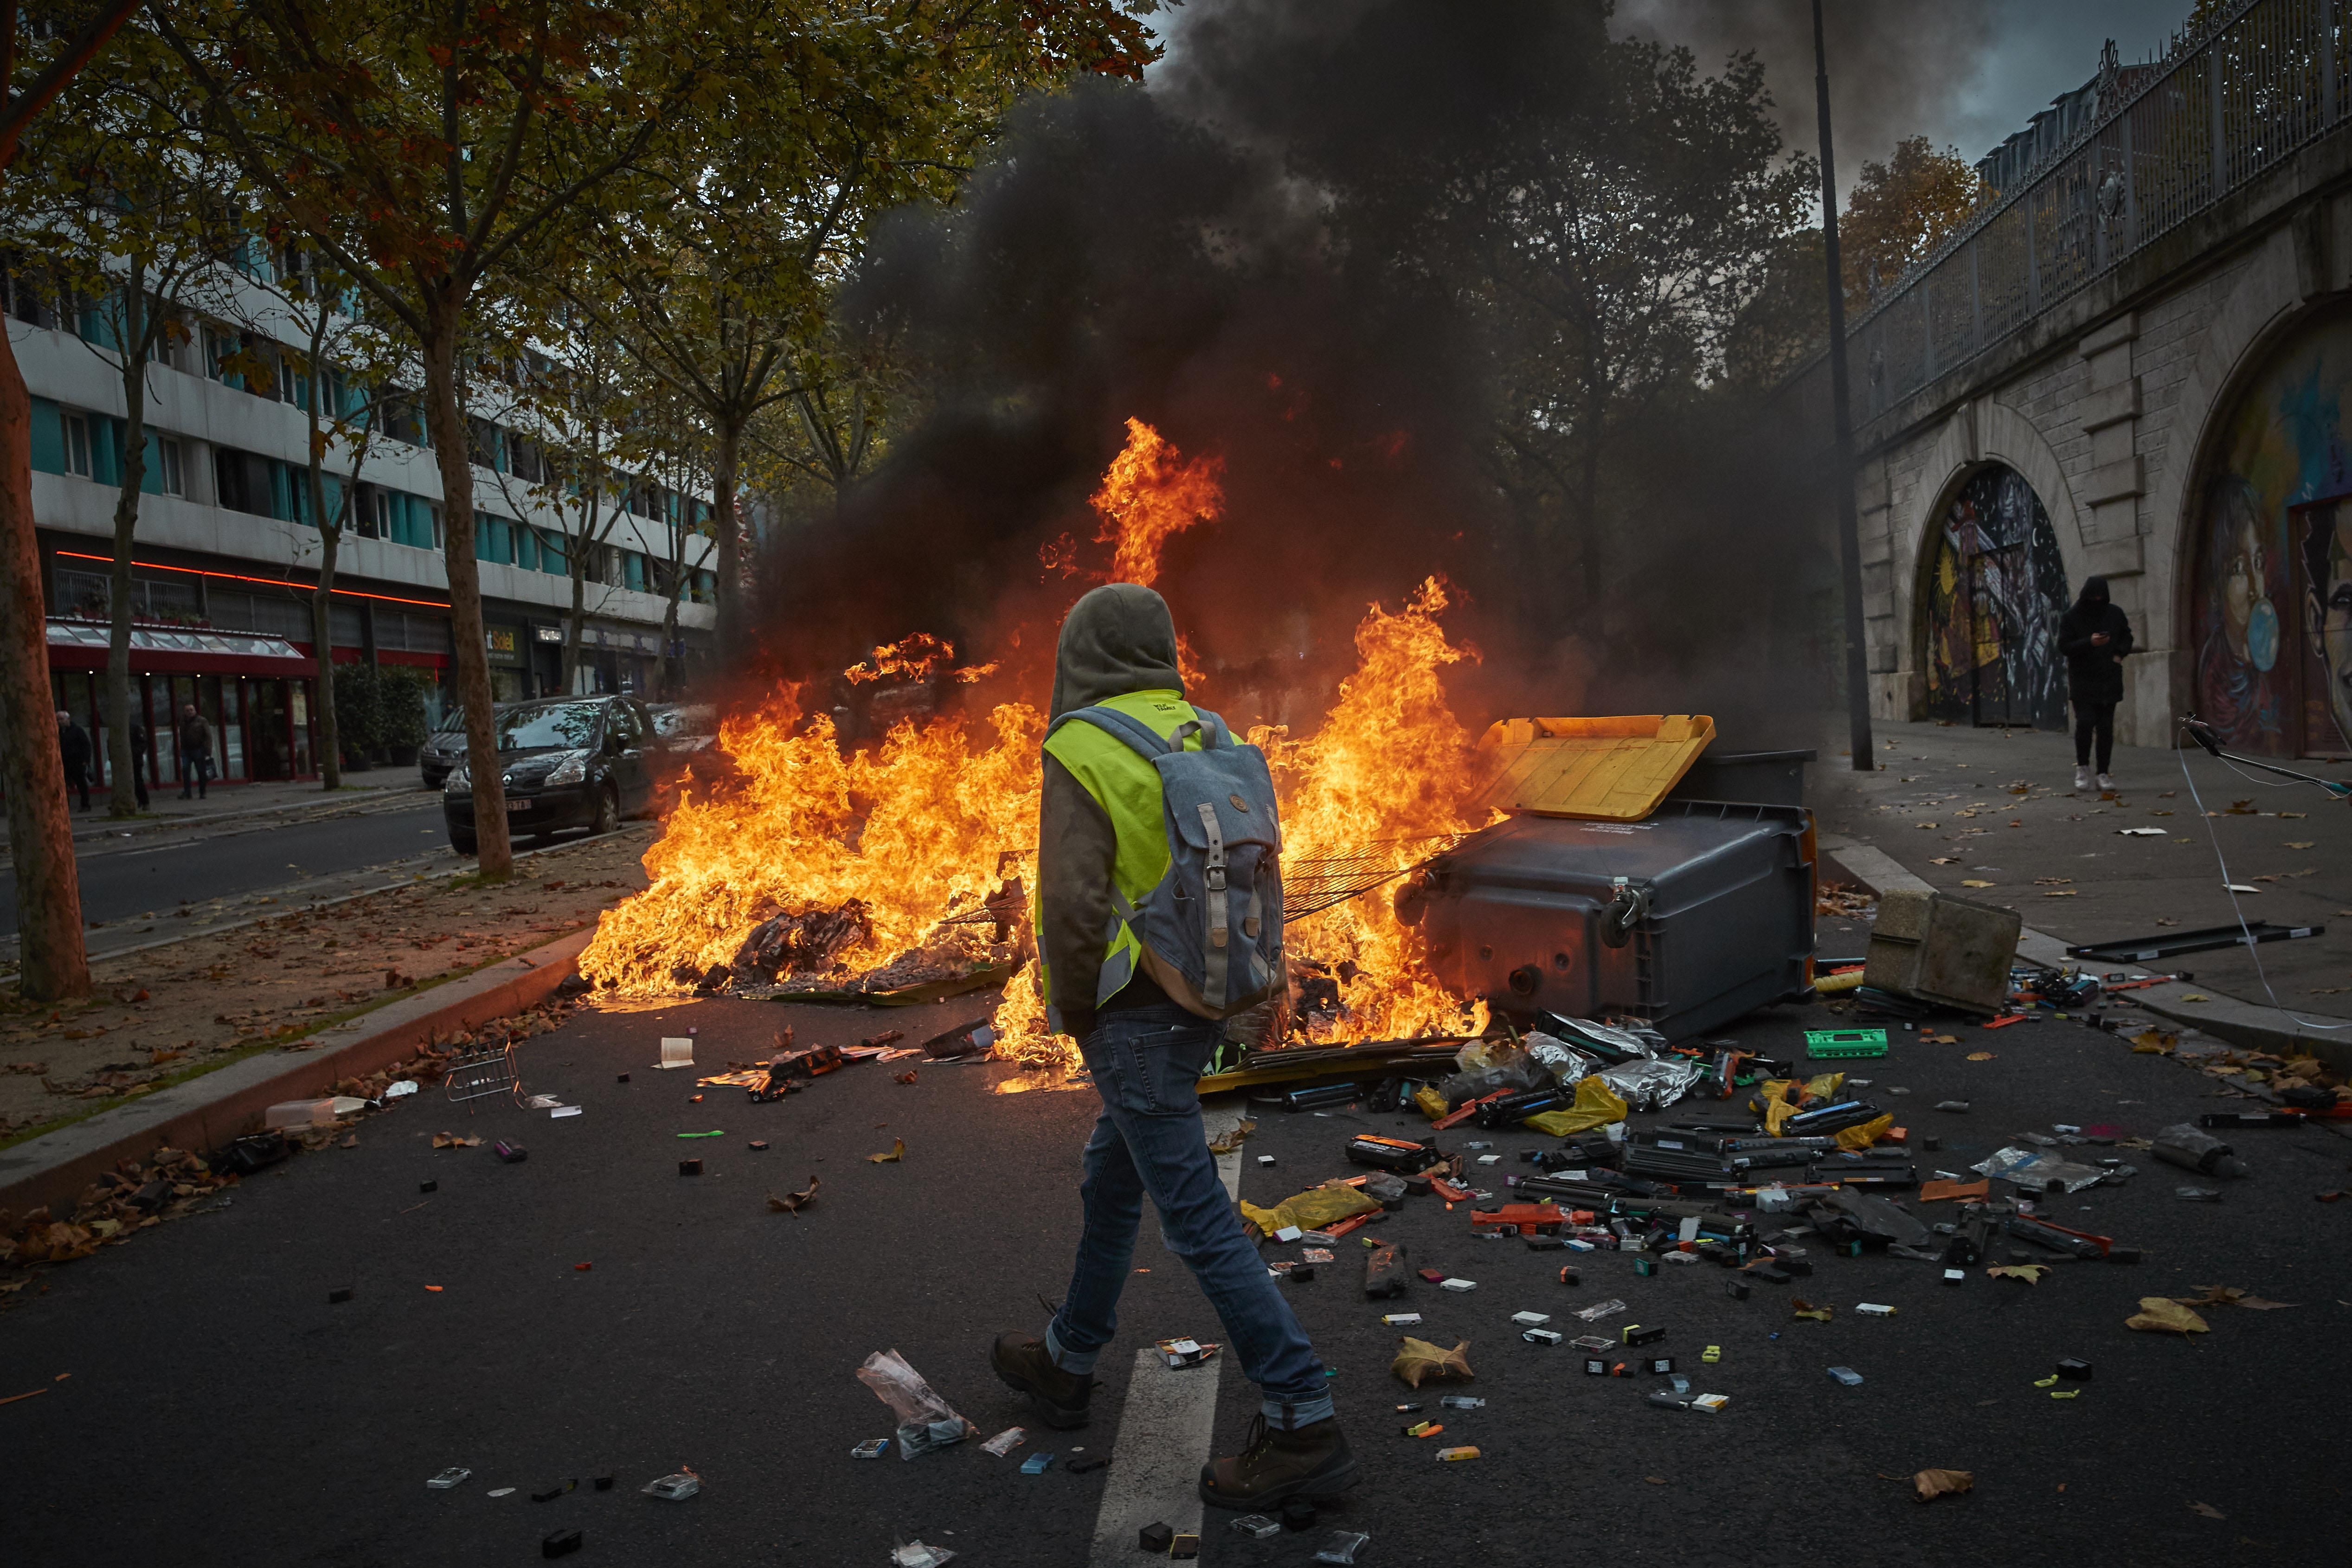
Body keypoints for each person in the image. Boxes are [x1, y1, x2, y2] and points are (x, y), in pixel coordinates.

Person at [989, 583, 1355, 1511]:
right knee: (1114, 1177)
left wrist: (1074, 1010)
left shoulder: (1081, 743)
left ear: (1082, 651)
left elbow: (1072, 903)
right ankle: (1070, 1358)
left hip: (1132, 1007)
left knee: (1193, 1215)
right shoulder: (1211, 731)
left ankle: (1304, 1417)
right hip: (1203, 994)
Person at [2058, 574, 2134, 791]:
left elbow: (2127, 637)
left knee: (2105, 728)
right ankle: (2082, 767)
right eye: (2094, 597)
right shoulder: (2072, 617)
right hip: (2083, 679)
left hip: (2108, 678)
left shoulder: (2115, 614)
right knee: (2085, 723)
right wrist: (2089, 643)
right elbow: (2064, 646)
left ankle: (2103, 772)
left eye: (2101, 596)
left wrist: (2119, 654)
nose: (2098, 600)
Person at [177, 702, 215, 800]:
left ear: (195, 711)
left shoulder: (202, 721)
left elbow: (208, 736)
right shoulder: (183, 721)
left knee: (201, 771)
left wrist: (208, 751)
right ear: (184, 712)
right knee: (186, 770)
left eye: (191, 710)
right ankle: (187, 792)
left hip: (199, 749)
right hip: (186, 750)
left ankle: (202, 792)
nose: (190, 712)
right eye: (187, 710)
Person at [56, 709, 92, 810]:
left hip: (77, 762)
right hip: (64, 762)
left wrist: (86, 760)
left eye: (62, 719)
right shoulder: (58, 733)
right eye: (58, 720)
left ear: (68, 719)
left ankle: (85, 804)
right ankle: (65, 805)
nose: (60, 722)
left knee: (81, 784)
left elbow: (86, 745)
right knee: (63, 785)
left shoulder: (77, 731)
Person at [128, 718, 152, 810]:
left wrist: (135, 752)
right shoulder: (116, 730)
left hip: (135, 760)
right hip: (122, 762)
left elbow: (144, 743)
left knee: (137, 781)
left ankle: (145, 802)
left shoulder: (135, 728)